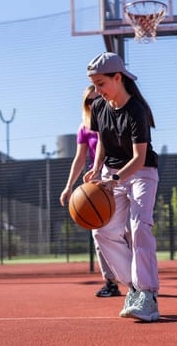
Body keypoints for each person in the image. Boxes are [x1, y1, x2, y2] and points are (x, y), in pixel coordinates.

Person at [83, 52, 160, 322]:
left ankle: (148, 296)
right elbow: (103, 139)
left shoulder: (136, 110)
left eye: (101, 83)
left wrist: (115, 179)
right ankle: (135, 288)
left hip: (141, 173)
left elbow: (139, 158)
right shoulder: (100, 106)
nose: (97, 90)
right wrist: (96, 166)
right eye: (94, 84)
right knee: (103, 232)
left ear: (118, 78)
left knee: (139, 227)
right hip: (110, 172)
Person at [60, 85, 122, 298]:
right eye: (89, 101)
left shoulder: (114, 119)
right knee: (99, 230)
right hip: (97, 182)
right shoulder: (84, 127)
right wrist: (69, 186)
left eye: (97, 99)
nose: (93, 104)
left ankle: (135, 278)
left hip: (119, 174)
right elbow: (79, 158)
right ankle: (110, 281)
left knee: (128, 231)